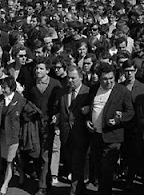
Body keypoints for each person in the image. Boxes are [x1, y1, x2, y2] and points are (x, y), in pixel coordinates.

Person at [86, 61, 135, 195]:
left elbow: (130, 112)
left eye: (111, 79)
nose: (108, 82)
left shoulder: (122, 91)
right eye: (105, 79)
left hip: (112, 137)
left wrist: (118, 120)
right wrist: (88, 121)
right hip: (96, 135)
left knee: (107, 169)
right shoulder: (94, 89)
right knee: (98, 168)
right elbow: (89, 108)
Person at [0, 76, 35, 195]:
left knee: (9, 161)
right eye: (2, 88)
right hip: (3, 134)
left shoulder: (20, 100)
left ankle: (4, 185)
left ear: (12, 88)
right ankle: (21, 175)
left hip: (14, 135)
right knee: (9, 158)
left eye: (5, 88)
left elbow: (30, 112)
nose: (3, 90)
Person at [26, 56, 62, 195]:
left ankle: (42, 187)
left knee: (46, 154)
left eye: (41, 68)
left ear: (47, 70)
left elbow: (60, 104)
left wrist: (57, 116)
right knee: (36, 151)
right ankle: (43, 178)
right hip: (34, 124)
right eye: (36, 68)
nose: (37, 71)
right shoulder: (31, 85)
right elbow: (27, 102)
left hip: (49, 124)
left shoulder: (56, 84)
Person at [55, 65, 90, 195]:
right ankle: (81, 188)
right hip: (66, 134)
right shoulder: (63, 92)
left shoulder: (87, 92)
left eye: (73, 78)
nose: (70, 81)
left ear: (80, 77)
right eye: (69, 78)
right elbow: (60, 110)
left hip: (81, 133)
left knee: (77, 162)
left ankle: (74, 191)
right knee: (72, 162)